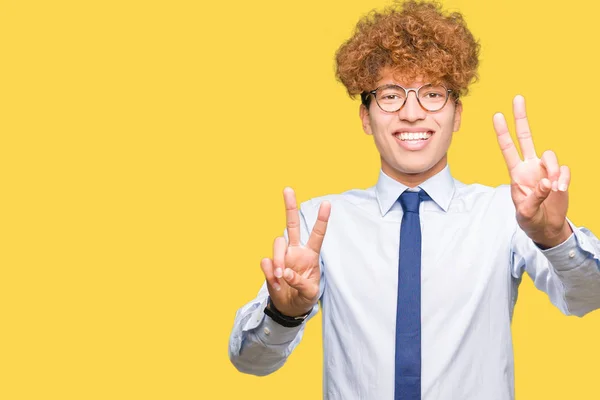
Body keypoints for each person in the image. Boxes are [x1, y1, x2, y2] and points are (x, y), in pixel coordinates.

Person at [227, 1, 600, 399]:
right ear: (366, 117)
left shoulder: (507, 214)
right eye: (390, 95)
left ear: (457, 114)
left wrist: (554, 235)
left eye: (432, 94)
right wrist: (284, 314)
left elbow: (588, 297)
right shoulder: (320, 223)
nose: (411, 112)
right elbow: (250, 362)